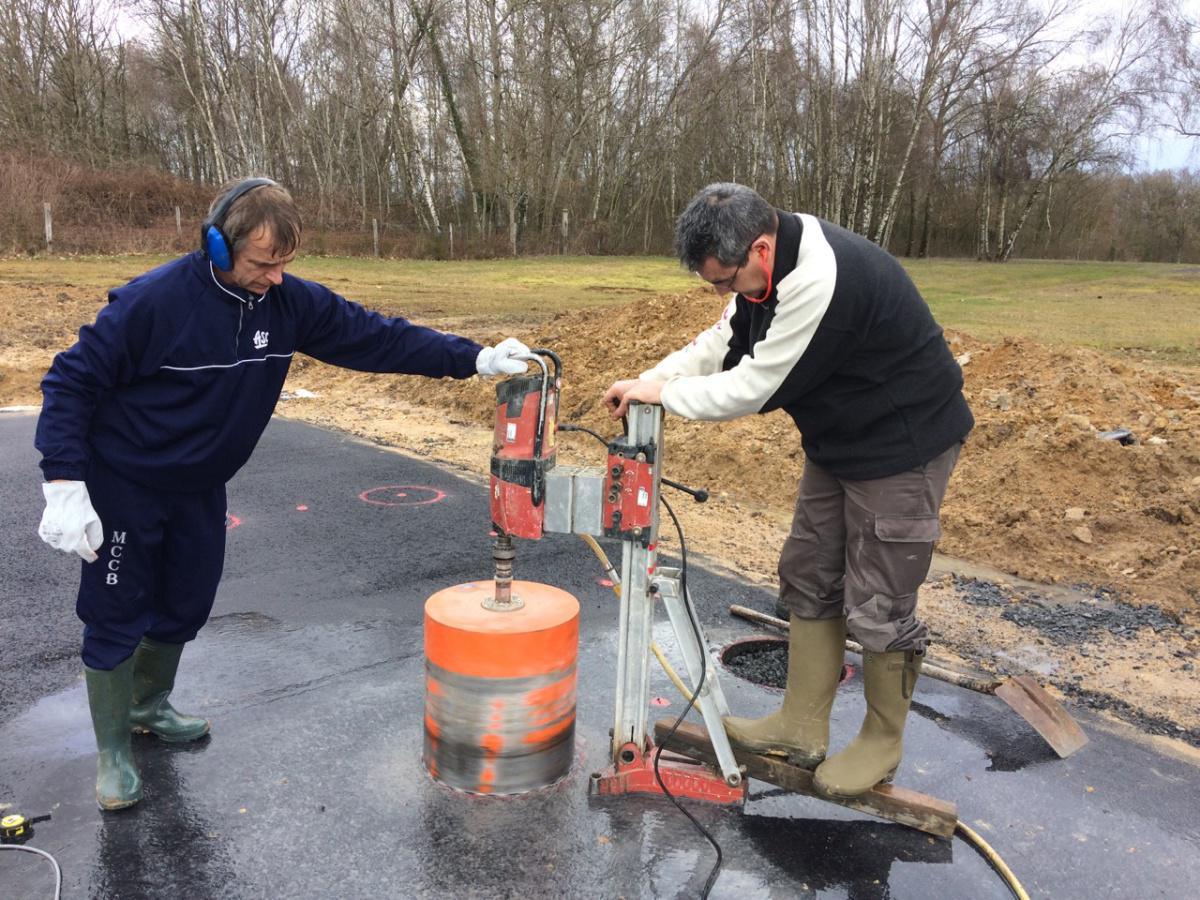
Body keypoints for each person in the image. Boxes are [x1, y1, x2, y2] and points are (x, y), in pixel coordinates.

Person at [35, 177, 531, 811]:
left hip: (200, 485)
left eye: (284, 264)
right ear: (218, 245)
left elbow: (377, 337)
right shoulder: (152, 303)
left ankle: (148, 706)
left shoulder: (287, 304)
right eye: (261, 263)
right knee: (116, 609)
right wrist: (64, 482)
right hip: (125, 481)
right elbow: (70, 381)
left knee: (186, 600)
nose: (273, 277)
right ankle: (112, 754)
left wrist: (477, 358)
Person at [604, 183, 973, 799]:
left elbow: (752, 387)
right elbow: (720, 344)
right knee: (809, 571)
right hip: (840, 437)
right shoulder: (760, 271)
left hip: (904, 442)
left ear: (762, 248)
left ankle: (883, 741)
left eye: (726, 281)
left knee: (879, 598)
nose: (724, 294)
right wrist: (649, 380)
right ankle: (801, 726)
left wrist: (662, 397)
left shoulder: (819, 280)